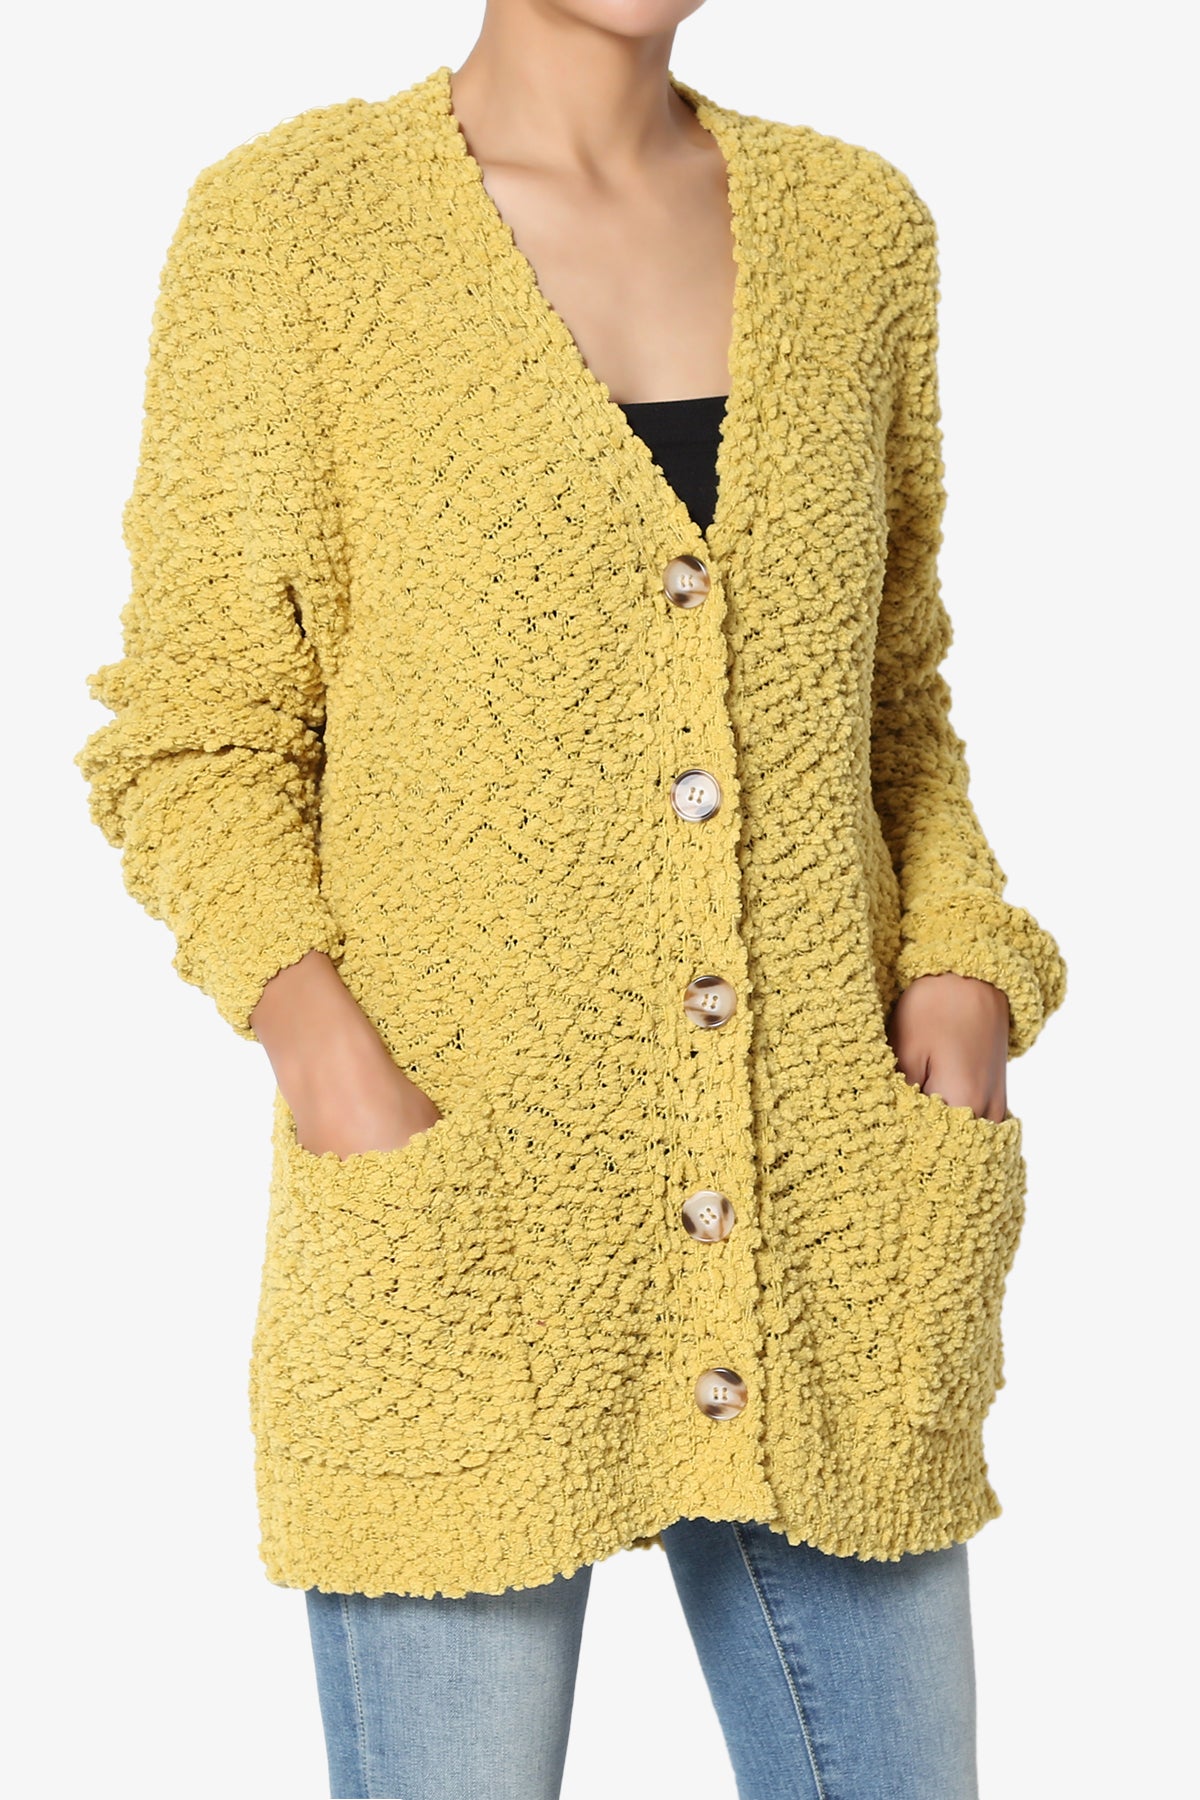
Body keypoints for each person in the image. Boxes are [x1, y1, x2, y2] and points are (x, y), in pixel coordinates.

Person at [75, 2, 1067, 1795]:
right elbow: (195, 740)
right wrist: (326, 1058)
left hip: (829, 1226)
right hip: (461, 1225)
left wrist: (960, 966)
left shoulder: (859, 231)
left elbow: (895, 708)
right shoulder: (291, 230)